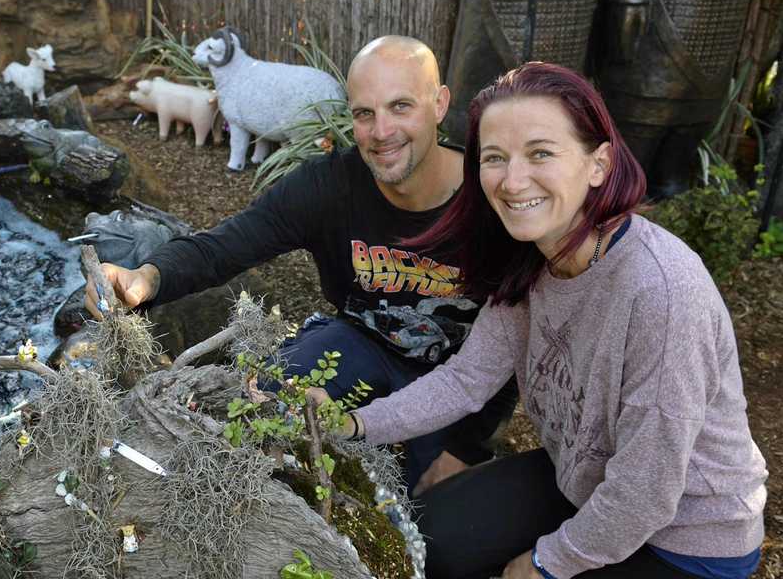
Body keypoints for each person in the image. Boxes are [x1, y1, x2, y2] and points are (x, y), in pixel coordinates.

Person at [326, 63, 768, 578]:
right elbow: (467, 380)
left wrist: (544, 563)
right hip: (583, 481)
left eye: (540, 153)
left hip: (686, 538)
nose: (513, 182)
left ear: (598, 164)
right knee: (428, 543)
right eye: (495, 158)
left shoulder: (661, 291)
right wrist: (355, 423)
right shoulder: (534, 258)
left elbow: (645, 494)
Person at [85, 35, 518, 493]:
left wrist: (465, 451)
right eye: (364, 113)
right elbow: (223, 246)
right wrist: (146, 277)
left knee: (432, 521)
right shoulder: (329, 186)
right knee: (259, 414)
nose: (382, 131)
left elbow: (515, 348)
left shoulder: (492, 200)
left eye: (401, 107)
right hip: (357, 343)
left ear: (439, 104)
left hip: (454, 380)